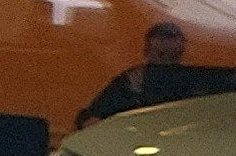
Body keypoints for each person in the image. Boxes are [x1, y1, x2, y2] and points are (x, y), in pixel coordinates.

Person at [77, 20, 228, 125]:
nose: (165, 67)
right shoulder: (132, 81)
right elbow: (90, 119)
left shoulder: (196, 80)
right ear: (147, 52)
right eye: (161, 55)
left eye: (173, 56)